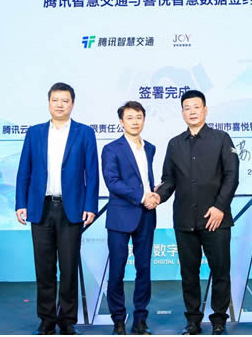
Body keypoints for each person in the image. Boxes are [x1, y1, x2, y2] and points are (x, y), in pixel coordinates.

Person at [15, 82, 99, 335]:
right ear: (49, 103)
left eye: (65, 100)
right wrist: (21, 203)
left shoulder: (84, 133)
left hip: (71, 209)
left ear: (72, 104)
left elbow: (92, 172)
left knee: (69, 266)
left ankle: (67, 320)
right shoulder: (35, 133)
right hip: (40, 207)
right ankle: (47, 319)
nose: (60, 105)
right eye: (55, 100)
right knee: (44, 267)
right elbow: (24, 170)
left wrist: (90, 206)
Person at [154, 90, 239, 335]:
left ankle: (219, 319)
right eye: (187, 108)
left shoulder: (222, 139)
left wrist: (220, 207)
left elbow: (232, 176)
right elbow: (169, 180)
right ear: (182, 113)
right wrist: (158, 196)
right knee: (189, 274)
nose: (192, 111)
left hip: (216, 220)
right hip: (185, 221)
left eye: (196, 107)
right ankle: (193, 320)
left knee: (220, 272)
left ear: (205, 110)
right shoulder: (174, 144)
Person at [101, 101, 160, 335]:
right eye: (130, 117)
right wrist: (142, 196)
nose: (135, 122)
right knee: (117, 270)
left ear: (144, 119)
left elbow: (146, 180)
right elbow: (112, 181)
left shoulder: (150, 148)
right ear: (121, 122)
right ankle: (118, 319)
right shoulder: (111, 149)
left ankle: (140, 320)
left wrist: (154, 195)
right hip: (120, 216)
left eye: (139, 117)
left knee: (144, 269)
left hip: (146, 215)